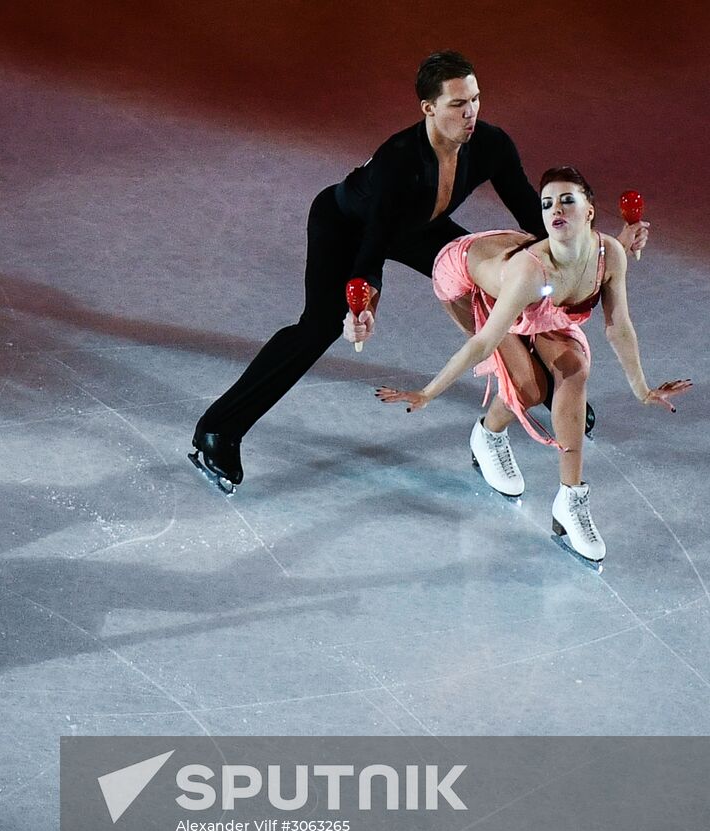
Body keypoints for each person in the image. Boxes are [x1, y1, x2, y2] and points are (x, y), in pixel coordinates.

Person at [190, 51, 650, 495]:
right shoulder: (398, 160)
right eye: (457, 105)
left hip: (417, 227)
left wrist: (597, 246)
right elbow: (373, 244)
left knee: (508, 272)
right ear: (428, 108)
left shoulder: (490, 144)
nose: (470, 113)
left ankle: (548, 386)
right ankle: (218, 430)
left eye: (475, 100)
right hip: (348, 226)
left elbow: (537, 222)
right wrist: (364, 307)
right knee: (319, 328)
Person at [375, 167, 691, 564]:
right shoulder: (529, 271)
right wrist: (429, 392)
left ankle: (570, 502)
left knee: (574, 368)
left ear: (590, 211)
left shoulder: (609, 254)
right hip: (467, 280)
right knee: (528, 389)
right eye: (546, 204)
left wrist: (642, 388)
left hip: (538, 291)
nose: (554, 209)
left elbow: (618, 326)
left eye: (566, 200)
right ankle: (487, 436)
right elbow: (484, 341)